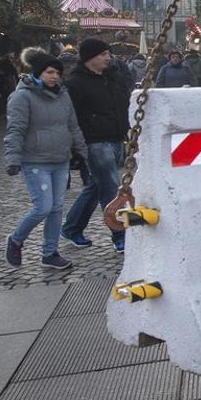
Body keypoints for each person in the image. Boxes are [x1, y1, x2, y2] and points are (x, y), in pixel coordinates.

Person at [3, 49, 87, 270]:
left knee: (56, 207)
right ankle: (16, 239)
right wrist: (12, 157)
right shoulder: (22, 96)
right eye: (50, 72)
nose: (55, 76)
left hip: (60, 159)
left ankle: (50, 252)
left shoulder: (63, 94)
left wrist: (82, 151)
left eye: (57, 73)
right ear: (38, 73)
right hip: (35, 160)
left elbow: (72, 125)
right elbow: (15, 129)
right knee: (43, 207)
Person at [61, 38, 131, 253]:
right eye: (103, 54)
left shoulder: (112, 77)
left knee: (95, 186)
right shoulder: (75, 83)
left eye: (108, 54)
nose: (108, 57)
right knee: (110, 187)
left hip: (116, 136)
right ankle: (119, 234)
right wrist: (78, 144)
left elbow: (124, 101)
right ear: (90, 58)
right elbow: (73, 116)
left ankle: (72, 228)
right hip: (94, 140)